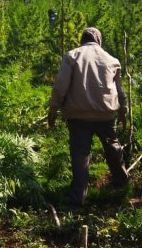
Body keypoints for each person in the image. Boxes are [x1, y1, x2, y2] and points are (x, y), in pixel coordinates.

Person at [48, 27, 129, 206]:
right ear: (99, 40)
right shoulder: (112, 60)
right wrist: (123, 111)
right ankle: (122, 182)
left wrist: (53, 109)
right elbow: (120, 90)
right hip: (106, 113)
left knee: (80, 154)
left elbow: (61, 86)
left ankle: (78, 196)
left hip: (78, 115)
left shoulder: (72, 56)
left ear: (82, 40)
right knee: (112, 146)